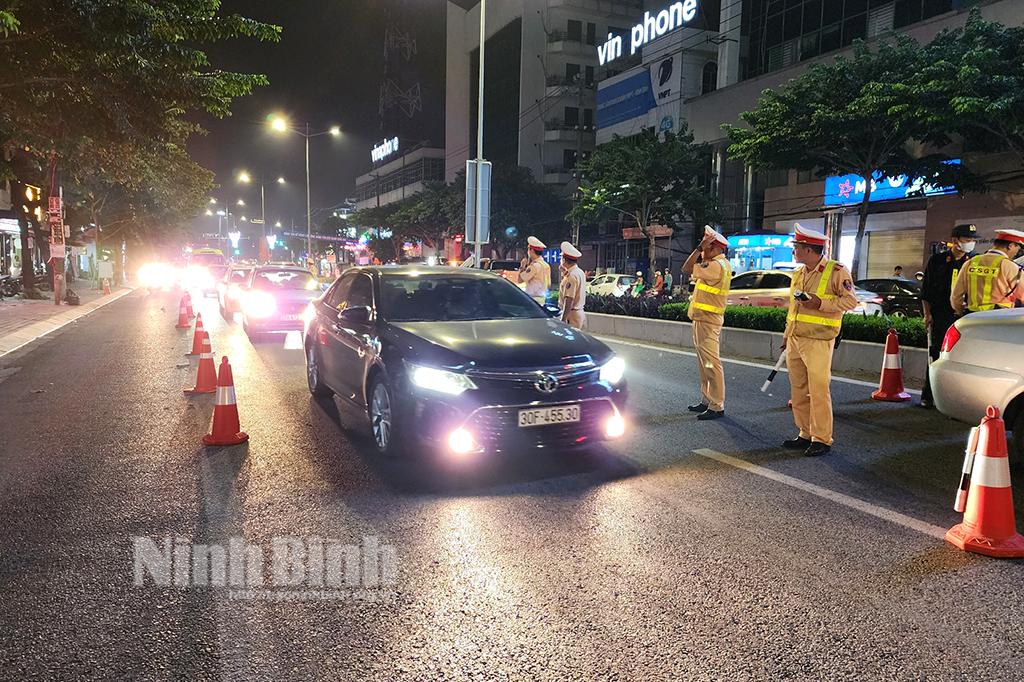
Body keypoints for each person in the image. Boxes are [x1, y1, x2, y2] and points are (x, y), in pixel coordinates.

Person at [782, 224, 860, 457]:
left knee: (818, 390)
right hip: (796, 339)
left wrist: (820, 304)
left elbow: (850, 302)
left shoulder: (836, 271)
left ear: (809, 249)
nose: (794, 251)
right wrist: (787, 335)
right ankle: (804, 433)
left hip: (818, 340)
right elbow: (793, 309)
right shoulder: (799, 273)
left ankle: (822, 438)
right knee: (798, 390)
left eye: (797, 247)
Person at [919, 224, 977, 409]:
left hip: (964, 317)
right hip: (941, 314)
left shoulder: (974, 262)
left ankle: (955, 399)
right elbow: (926, 291)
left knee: (962, 357)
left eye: (972, 240)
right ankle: (929, 395)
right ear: (955, 241)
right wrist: (927, 314)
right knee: (936, 355)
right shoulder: (937, 261)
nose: (970, 244)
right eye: (967, 240)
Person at [681, 225, 732, 421]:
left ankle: (716, 405)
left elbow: (686, 268)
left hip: (708, 321)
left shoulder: (716, 265)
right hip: (704, 319)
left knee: (711, 363)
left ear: (714, 247)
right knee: (705, 363)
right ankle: (707, 400)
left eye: (706, 247)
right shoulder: (719, 264)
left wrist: (697, 248)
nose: (703, 252)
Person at [951, 229, 1024, 316]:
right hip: (1001, 318)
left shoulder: (970, 263)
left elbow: (956, 296)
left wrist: (959, 311)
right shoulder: (1009, 266)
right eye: (1017, 248)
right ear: (1010, 246)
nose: (1016, 253)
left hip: (974, 318)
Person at [558, 241, 586, 329]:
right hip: (578, 313)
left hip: (571, 316)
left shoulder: (572, 276)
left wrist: (563, 319)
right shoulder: (579, 272)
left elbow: (569, 300)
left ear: (564, 259)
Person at [519, 236, 551, 304]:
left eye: (528, 249)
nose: (528, 252)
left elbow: (520, 280)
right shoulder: (546, 265)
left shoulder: (534, 266)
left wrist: (522, 266)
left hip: (533, 300)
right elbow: (549, 284)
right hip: (542, 299)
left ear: (532, 250)